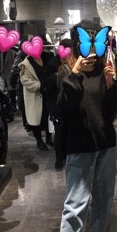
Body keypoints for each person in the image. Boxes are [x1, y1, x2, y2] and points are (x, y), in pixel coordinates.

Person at [54, 19, 117, 232]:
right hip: (79, 148)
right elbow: (61, 108)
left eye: (96, 46)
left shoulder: (104, 71)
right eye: (86, 46)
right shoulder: (65, 72)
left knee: (104, 196)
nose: (92, 54)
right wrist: (74, 75)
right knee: (75, 206)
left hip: (105, 145)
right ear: (77, 45)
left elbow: (114, 109)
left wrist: (110, 83)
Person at [41, 38, 74, 171]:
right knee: (59, 132)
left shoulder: (74, 62)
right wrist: (57, 76)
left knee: (70, 131)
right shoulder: (53, 63)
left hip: (71, 103)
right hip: (57, 104)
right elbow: (45, 82)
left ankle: (68, 155)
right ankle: (59, 159)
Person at [19, 48, 54, 150]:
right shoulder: (26, 63)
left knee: (48, 116)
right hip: (34, 94)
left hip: (48, 93)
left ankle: (49, 138)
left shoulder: (47, 58)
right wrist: (39, 86)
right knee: (35, 118)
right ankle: (39, 141)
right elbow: (24, 80)